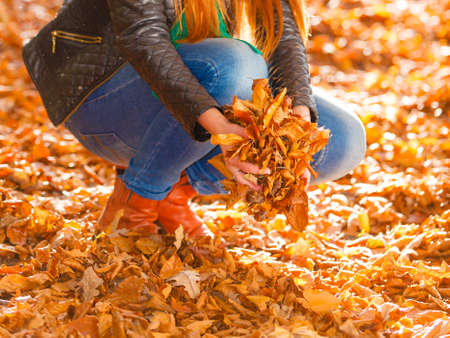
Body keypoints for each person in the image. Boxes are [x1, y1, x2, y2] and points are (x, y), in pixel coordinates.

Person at [22, 0, 366, 238]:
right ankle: (133, 208)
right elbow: (143, 40)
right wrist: (222, 131)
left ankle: (171, 194)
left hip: (191, 101)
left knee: (342, 138)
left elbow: (283, 38)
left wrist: (297, 128)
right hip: (104, 100)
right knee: (235, 65)